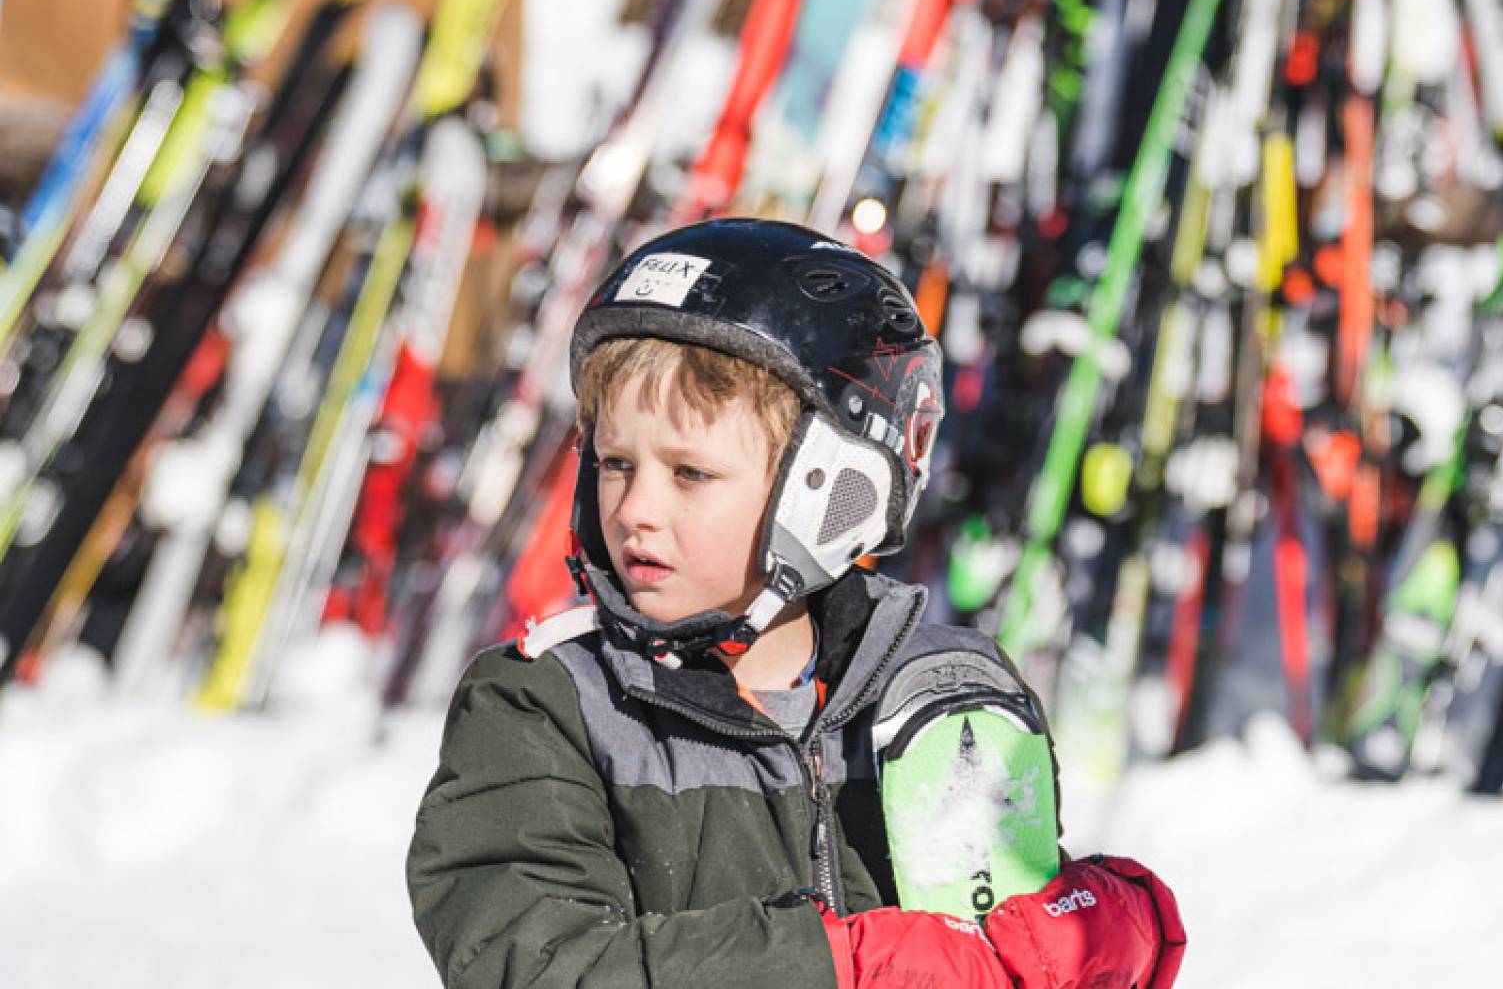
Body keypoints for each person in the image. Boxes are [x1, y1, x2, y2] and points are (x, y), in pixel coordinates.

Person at [406, 218, 1185, 987]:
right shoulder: (546, 705)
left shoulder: (944, 693)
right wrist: (838, 967)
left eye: (690, 474)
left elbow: (1006, 924)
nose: (636, 509)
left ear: (833, 490)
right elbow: (538, 964)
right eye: (616, 463)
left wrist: (1114, 925)